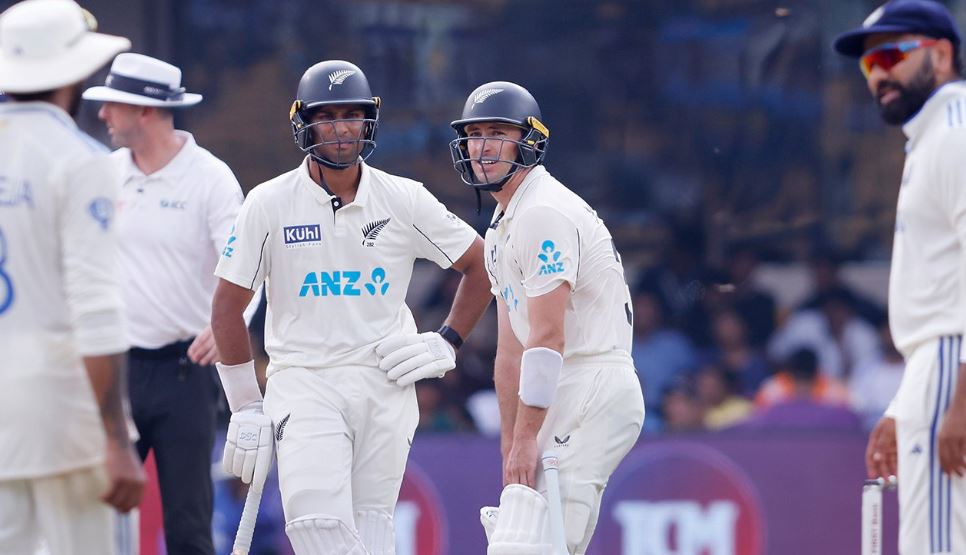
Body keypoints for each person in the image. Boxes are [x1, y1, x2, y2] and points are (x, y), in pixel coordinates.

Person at [210, 60, 491, 554]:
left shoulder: (404, 199)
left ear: (369, 121)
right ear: (304, 123)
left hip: (385, 383)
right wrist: (246, 406)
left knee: (371, 531)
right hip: (304, 379)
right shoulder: (268, 203)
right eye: (327, 117)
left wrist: (448, 340)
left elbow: (482, 265)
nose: (341, 129)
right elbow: (226, 308)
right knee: (316, 524)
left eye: (351, 116)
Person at [449, 81, 645, 555]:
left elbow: (548, 336)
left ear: (529, 141)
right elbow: (511, 350)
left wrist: (525, 437)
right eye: (474, 135)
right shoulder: (502, 224)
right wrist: (511, 441)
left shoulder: (543, 213)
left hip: (592, 382)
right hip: (554, 390)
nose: (483, 146)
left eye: (498, 133)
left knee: (541, 546)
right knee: (525, 542)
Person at [80, 52, 254, 554]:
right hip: (115, 370)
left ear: (146, 111)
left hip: (186, 373)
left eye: (113, 104)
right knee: (94, 517)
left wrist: (228, 324)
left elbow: (249, 265)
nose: (103, 114)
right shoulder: (102, 174)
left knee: (189, 525)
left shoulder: (211, 178)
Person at [0, 0, 144, 553]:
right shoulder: (80, 160)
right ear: (74, 73)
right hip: (65, 415)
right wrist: (116, 440)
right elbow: (96, 307)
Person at [835, 1, 966, 552]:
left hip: (950, 362)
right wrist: (904, 405)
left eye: (892, 54)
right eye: (870, 64)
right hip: (933, 367)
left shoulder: (955, 133)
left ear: (942, 54)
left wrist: (959, 399)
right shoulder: (934, 136)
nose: (879, 74)